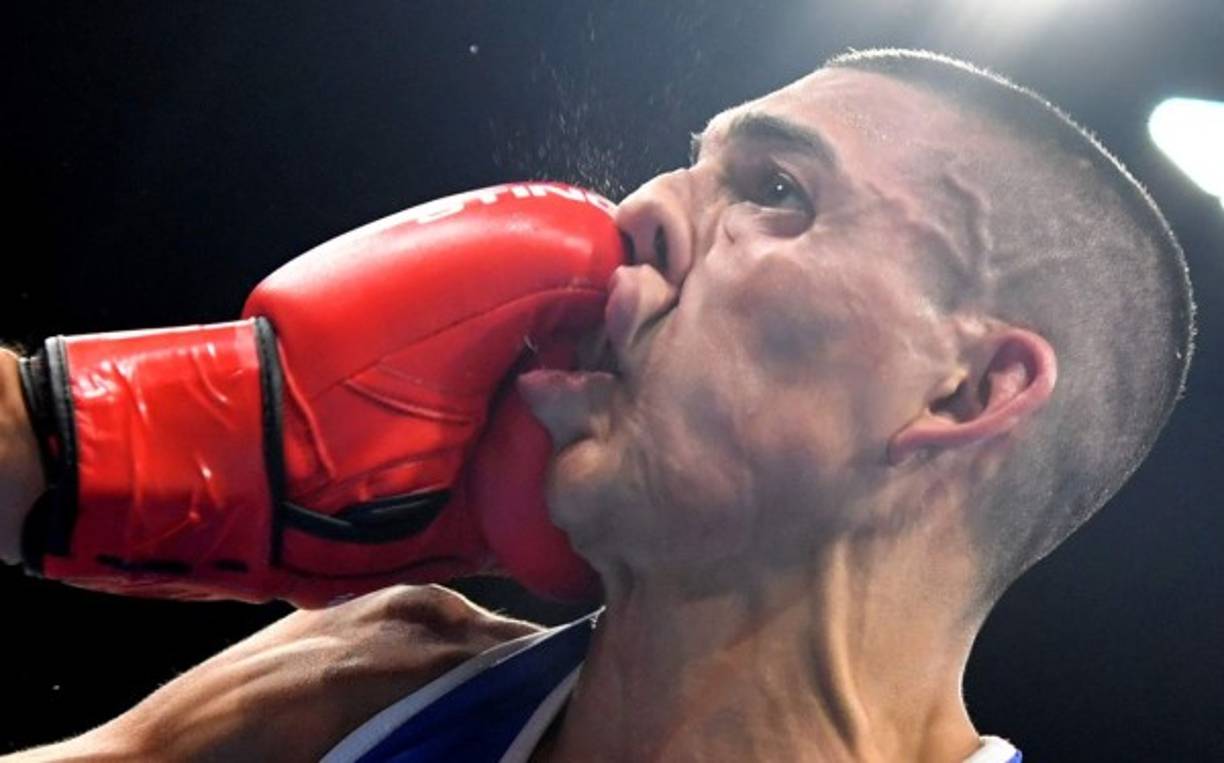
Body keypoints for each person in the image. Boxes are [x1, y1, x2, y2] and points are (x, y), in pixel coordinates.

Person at [0, 48, 1194, 762]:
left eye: (775, 190)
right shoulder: (363, 684)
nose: (636, 214)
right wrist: (80, 441)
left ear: (969, 389)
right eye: (691, 165)